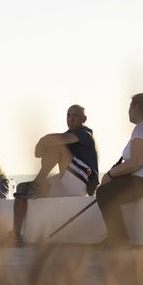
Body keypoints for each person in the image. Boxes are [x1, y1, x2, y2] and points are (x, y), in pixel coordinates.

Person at [9, 104, 99, 246]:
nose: (71, 118)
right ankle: (15, 234)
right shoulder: (63, 136)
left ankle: (37, 183)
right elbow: (37, 153)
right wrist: (44, 142)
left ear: (84, 119)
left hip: (81, 182)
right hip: (65, 183)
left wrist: (45, 139)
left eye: (75, 115)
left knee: (57, 147)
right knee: (21, 189)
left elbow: (62, 139)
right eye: (68, 115)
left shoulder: (85, 134)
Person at [96, 93, 143, 246]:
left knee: (104, 192)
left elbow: (137, 161)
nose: (128, 111)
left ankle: (118, 238)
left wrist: (110, 174)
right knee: (109, 192)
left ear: (136, 107)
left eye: (130, 107)